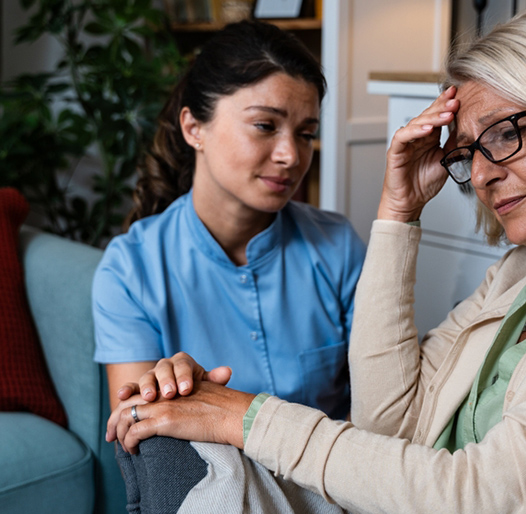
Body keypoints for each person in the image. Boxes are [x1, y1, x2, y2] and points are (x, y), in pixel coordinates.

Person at [110, 8, 526, 513]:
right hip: (402, 496)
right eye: (471, 151)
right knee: (177, 434)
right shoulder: (525, 272)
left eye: (506, 132)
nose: (486, 173)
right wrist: (399, 211)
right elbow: (387, 423)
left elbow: (487, 496)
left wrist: (249, 418)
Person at [91, 20, 365, 512]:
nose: (291, 155)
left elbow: (384, 410)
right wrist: (166, 390)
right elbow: (137, 439)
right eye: (265, 125)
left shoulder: (338, 246)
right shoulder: (130, 269)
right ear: (194, 126)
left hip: (333, 486)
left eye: (305, 134)